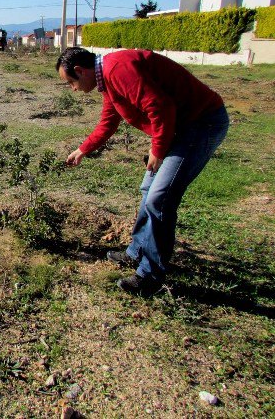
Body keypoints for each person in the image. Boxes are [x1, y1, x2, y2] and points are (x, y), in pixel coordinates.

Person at [56, 47, 229, 295]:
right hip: (178, 128)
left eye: (71, 83)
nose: (73, 89)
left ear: (80, 71)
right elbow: (109, 120)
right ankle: (136, 251)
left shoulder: (117, 70)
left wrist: (158, 149)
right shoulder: (107, 78)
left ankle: (151, 275)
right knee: (148, 189)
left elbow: (160, 107)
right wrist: (84, 149)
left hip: (201, 124)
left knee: (160, 198)